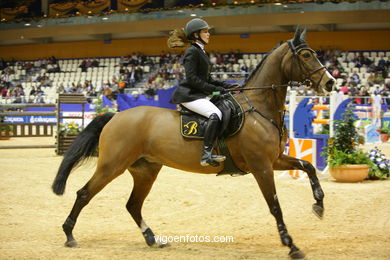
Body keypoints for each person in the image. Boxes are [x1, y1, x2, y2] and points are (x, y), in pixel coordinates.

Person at [167, 18, 235, 167]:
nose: (208, 34)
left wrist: (227, 86)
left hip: (198, 94)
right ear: (196, 35)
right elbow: (192, 80)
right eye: (205, 31)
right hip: (189, 95)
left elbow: (208, 79)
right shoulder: (192, 52)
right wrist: (216, 90)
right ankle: (206, 154)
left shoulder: (201, 51)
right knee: (215, 114)